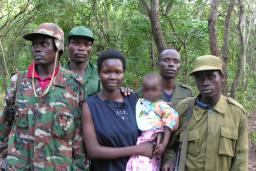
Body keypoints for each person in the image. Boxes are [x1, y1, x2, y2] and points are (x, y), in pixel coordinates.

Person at [0, 23, 87, 170]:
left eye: (44, 44)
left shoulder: (74, 85)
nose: (37, 48)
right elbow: (5, 124)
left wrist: (79, 167)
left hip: (56, 166)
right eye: (34, 45)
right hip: (19, 165)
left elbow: (78, 134)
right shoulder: (19, 81)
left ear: (58, 47)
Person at [162, 55, 248, 171]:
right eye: (200, 78)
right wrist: (169, 159)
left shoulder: (236, 113)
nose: (205, 82)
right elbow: (168, 145)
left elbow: (241, 160)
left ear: (221, 77)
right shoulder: (183, 109)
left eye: (211, 76)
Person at [82, 49, 154, 171]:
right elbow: (93, 151)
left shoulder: (133, 99)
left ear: (124, 73)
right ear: (99, 73)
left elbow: (148, 131)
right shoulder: (90, 105)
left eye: (118, 72)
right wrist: (138, 149)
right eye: (106, 72)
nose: (112, 77)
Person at [126, 73, 179, 171]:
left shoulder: (163, 106)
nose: (149, 93)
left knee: (147, 165)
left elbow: (169, 123)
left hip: (155, 141)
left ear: (161, 90)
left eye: (154, 89)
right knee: (133, 164)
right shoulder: (138, 103)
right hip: (140, 141)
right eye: (146, 89)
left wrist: (163, 144)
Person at [64, 26, 101, 97]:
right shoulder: (57, 75)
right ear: (67, 46)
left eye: (87, 44)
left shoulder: (101, 74)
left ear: (92, 48)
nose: (81, 48)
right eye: (76, 43)